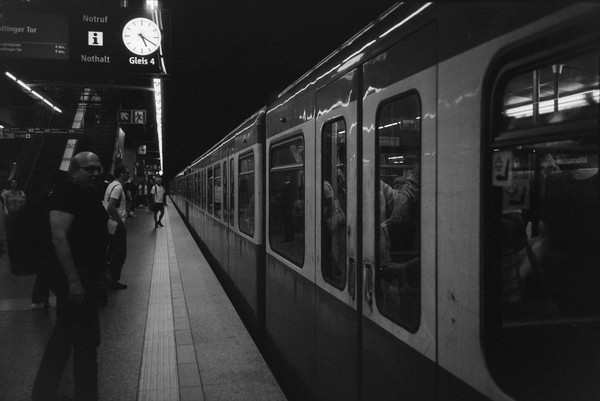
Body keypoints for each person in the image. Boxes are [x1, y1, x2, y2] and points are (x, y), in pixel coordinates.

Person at [32, 152, 108, 401]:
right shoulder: (66, 194)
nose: (96, 173)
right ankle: (86, 394)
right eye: (90, 169)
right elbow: (59, 237)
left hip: (85, 276)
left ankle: (43, 392)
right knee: (86, 340)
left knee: (64, 336)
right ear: (74, 171)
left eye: (98, 168)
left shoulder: (85, 194)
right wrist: (74, 281)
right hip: (76, 279)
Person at [104, 165, 129, 290]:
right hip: (116, 224)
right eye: (127, 172)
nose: (128, 174)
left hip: (110, 223)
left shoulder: (111, 185)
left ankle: (109, 278)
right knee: (120, 253)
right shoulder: (118, 187)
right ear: (121, 174)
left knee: (112, 252)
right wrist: (120, 223)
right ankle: (114, 280)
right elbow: (111, 206)